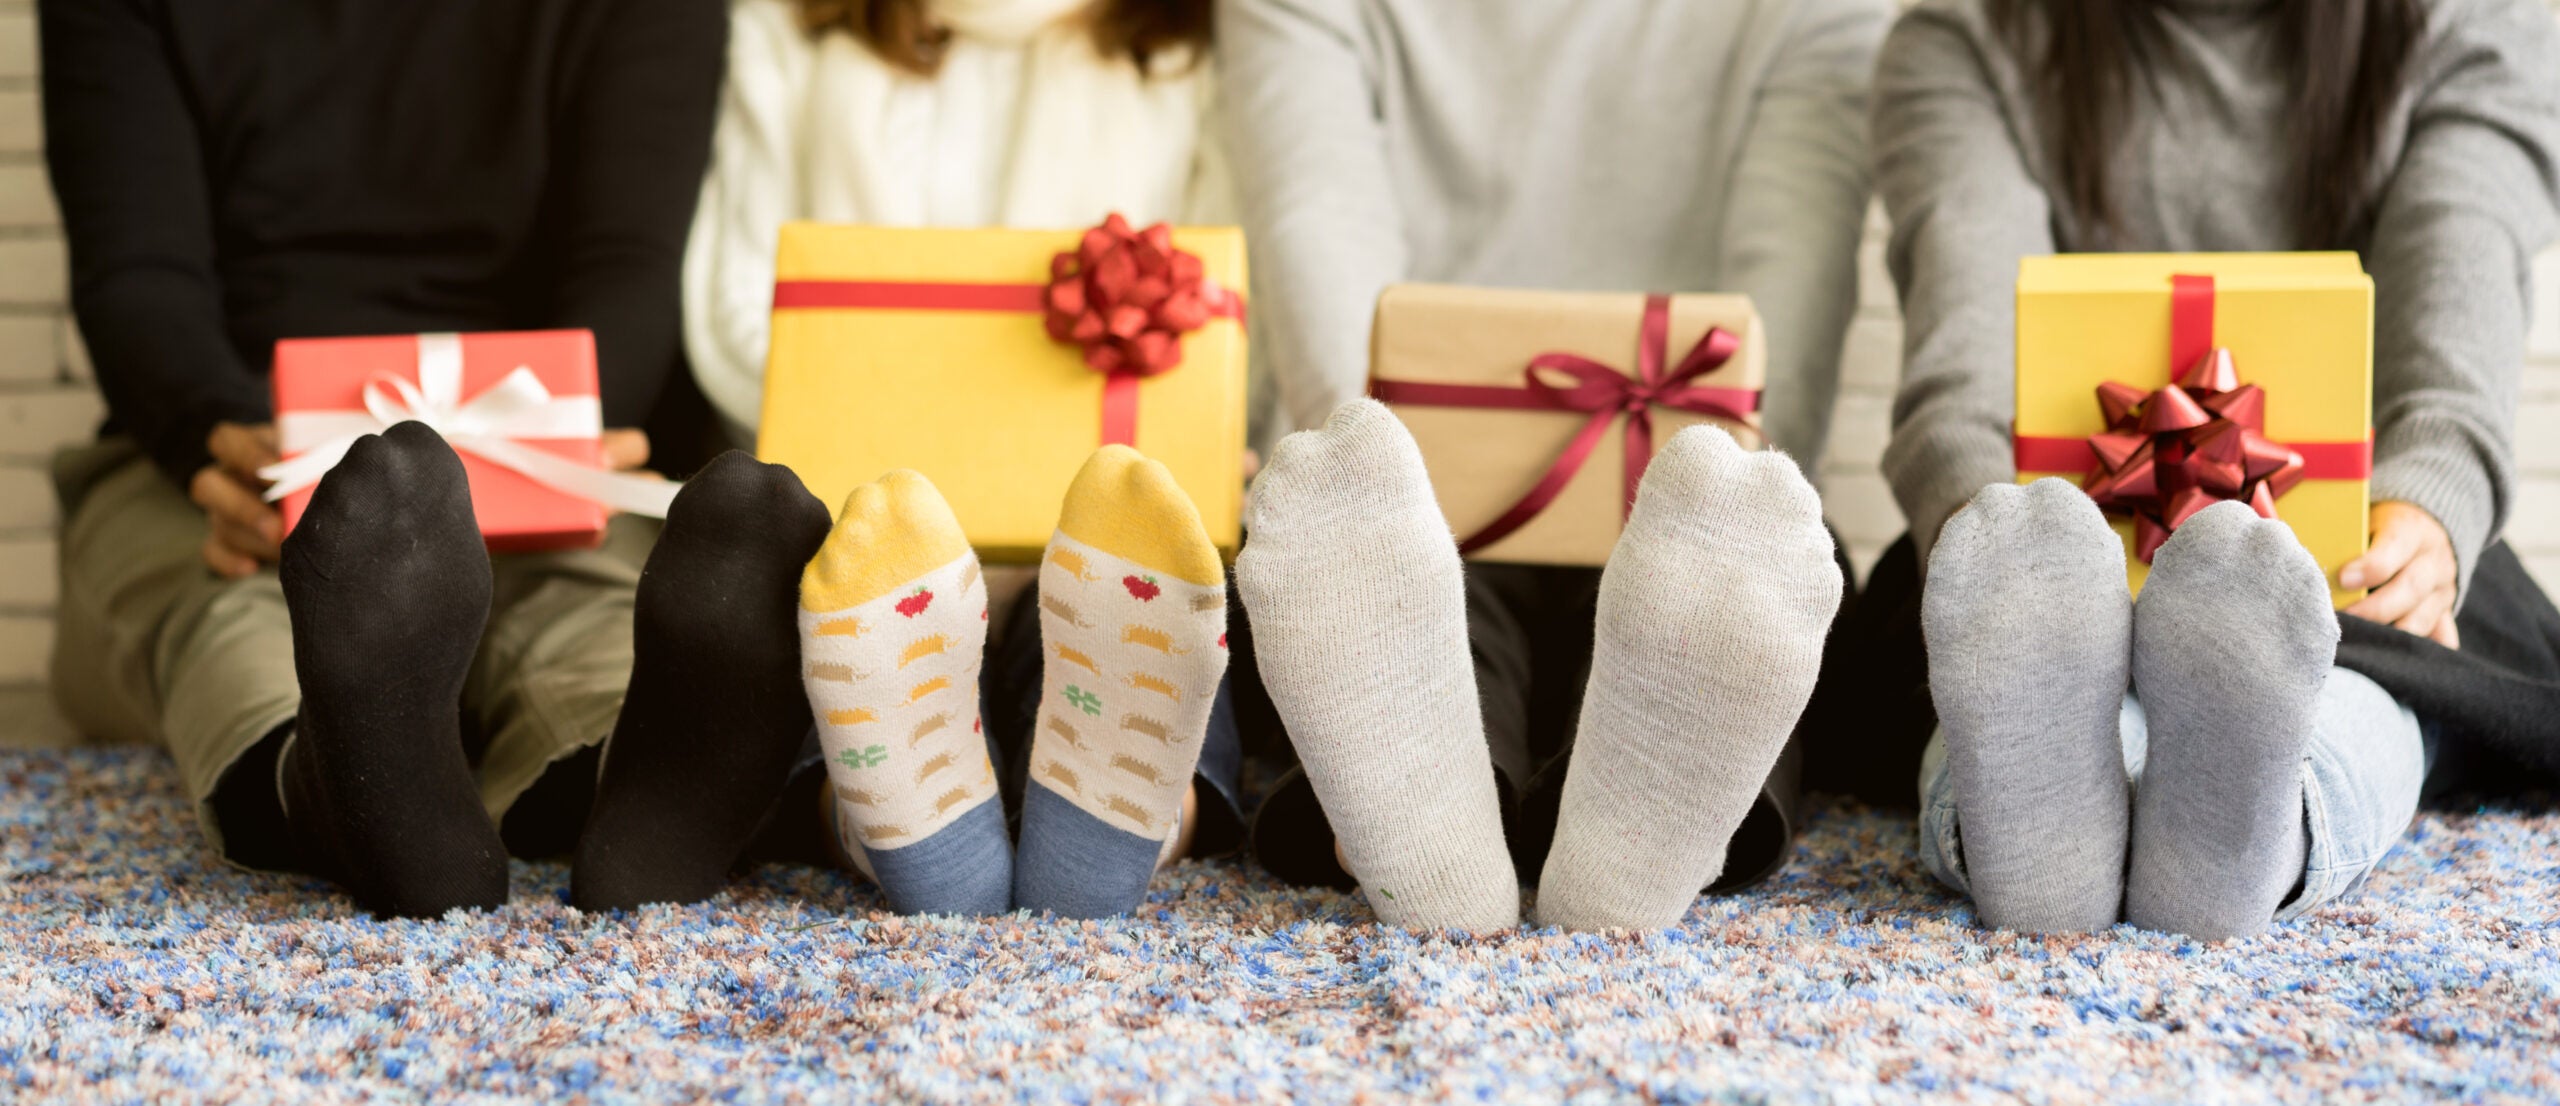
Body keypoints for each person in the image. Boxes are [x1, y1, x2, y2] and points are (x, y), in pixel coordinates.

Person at [40, 0, 841, 918]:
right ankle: (343, 786)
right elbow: (138, 280)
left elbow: (627, 267)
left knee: (590, 606)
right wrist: (214, 437)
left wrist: (563, 425)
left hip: (536, 441)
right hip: (231, 457)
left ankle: (637, 785)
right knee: (232, 605)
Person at [1856, 0, 2560, 939]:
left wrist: (2430, 505)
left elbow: (2457, 265)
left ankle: (2235, 836)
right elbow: (1964, 358)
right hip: (2043, 547)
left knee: (2387, 660)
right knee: (1999, 656)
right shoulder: (1970, 35)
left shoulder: (2469, 22)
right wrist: (1999, 559)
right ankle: (2074, 836)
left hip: (2346, 548)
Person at [1220, 0, 1891, 931]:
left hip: (1650, 506)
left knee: (1682, 598)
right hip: (1453, 492)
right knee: (1415, 590)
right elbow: (1318, 224)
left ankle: (1457, 814)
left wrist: (1359, 458)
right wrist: (1374, 490)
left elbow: (1315, 225)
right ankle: (1616, 824)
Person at [679, 0, 1255, 914]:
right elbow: (734, 309)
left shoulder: (1184, 47)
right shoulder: (788, 26)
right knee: (827, 609)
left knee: (1126, 598)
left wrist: (1212, 426)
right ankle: (900, 826)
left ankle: (1118, 820)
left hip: (1102, 520)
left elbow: (1230, 307)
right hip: (856, 519)